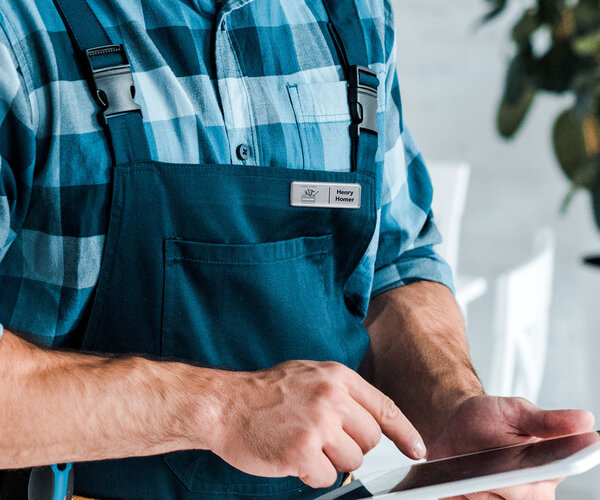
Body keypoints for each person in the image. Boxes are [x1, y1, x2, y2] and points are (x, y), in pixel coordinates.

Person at [0, 0, 593, 499]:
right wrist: (223, 410)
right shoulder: (22, 28)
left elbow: (393, 265)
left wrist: (448, 409)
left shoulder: (349, 15)